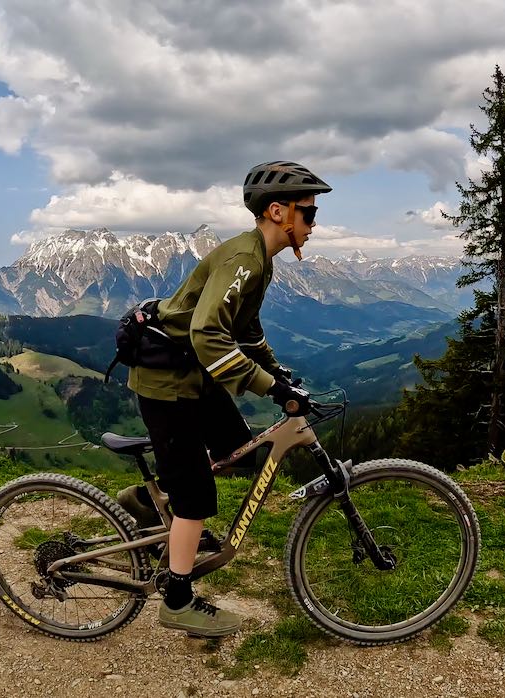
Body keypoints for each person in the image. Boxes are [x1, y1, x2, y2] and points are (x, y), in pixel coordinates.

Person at [118, 160, 331, 637]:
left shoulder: (260, 258)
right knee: (197, 498)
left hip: (196, 377)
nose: (314, 225)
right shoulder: (245, 259)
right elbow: (208, 334)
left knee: (240, 451)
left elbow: (247, 331)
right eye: (309, 214)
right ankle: (177, 599)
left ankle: (153, 503)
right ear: (278, 211)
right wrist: (268, 386)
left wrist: (280, 375)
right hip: (168, 382)